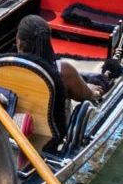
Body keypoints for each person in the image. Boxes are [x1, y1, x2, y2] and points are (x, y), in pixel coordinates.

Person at [15, 15, 107, 144]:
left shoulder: (6, 66)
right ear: (48, 41)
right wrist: (92, 90)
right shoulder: (63, 71)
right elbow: (85, 95)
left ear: (19, 42)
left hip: (14, 132)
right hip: (51, 140)